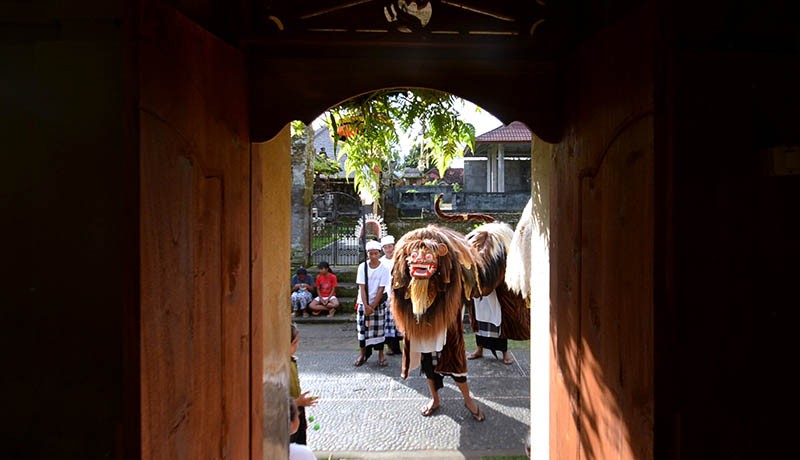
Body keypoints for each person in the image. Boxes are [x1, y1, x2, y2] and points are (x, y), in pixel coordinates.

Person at [353, 240, 392, 367]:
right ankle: (362, 354)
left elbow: (381, 288)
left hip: (378, 303)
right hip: (363, 303)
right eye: (371, 254)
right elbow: (362, 287)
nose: (373, 256)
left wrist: (373, 306)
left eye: (375, 253)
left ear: (379, 253)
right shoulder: (362, 267)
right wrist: (366, 306)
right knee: (363, 331)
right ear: (367, 254)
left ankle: (381, 354)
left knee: (379, 331)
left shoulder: (384, 268)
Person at [467, 289, 514, 364]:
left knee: (497, 319)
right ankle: (479, 349)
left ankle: (504, 352)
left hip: (493, 288)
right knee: (479, 319)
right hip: (478, 291)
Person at [289, 323, 317, 445]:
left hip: (297, 409)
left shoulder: (292, 360)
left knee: (300, 441)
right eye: (294, 342)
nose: (297, 345)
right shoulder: (278, 367)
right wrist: (298, 402)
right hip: (288, 413)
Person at [379, 235, 403, 355]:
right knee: (388, 322)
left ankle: (403, 346)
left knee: (400, 321)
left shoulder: (399, 260)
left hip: (399, 293)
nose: (388, 249)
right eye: (386, 247)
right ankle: (391, 347)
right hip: (386, 295)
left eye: (390, 247)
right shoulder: (381, 263)